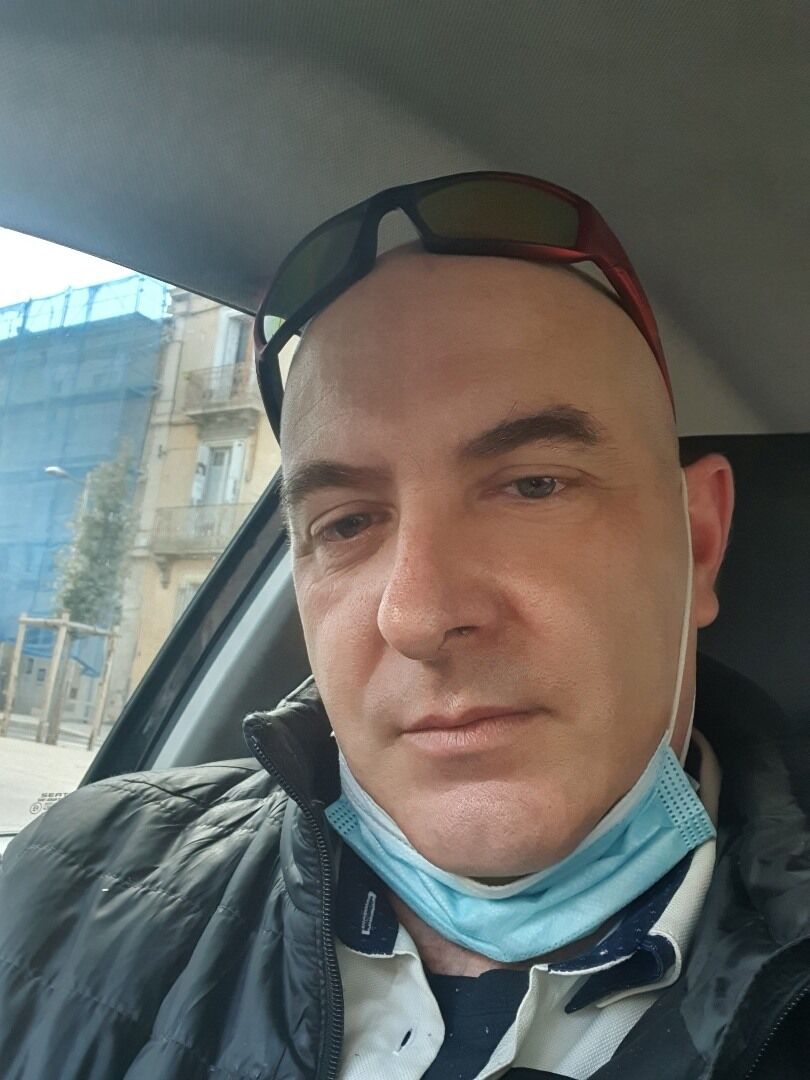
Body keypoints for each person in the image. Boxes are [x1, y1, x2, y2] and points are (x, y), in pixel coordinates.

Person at [0, 172, 807, 1080]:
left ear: (698, 545)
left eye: (533, 485)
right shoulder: (64, 884)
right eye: (346, 523)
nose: (420, 616)